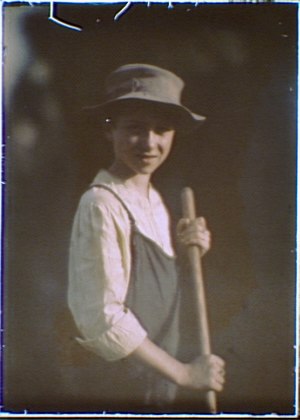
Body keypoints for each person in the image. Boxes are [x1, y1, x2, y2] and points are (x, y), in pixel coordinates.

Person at [68, 63, 225, 413]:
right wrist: (183, 374)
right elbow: (102, 318)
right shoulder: (102, 204)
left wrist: (187, 256)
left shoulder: (155, 200)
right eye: (135, 128)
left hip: (155, 385)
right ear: (110, 130)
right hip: (116, 389)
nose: (149, 143)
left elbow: (150, 288)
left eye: (162, 129)